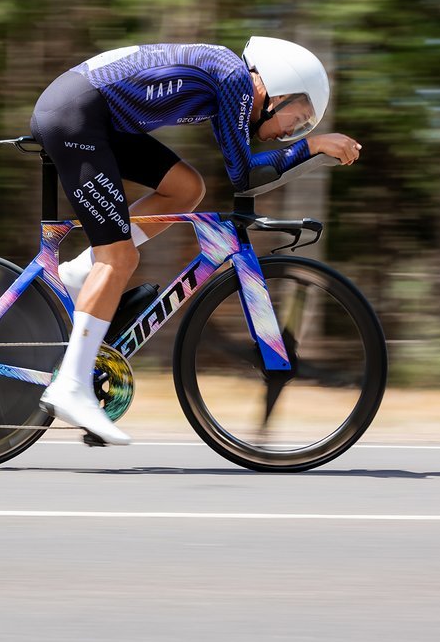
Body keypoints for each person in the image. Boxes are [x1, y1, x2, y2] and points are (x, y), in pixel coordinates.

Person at [30, 37, 362, 445]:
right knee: (119, 260)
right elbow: (244, 176)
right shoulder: (235, 79)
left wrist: (306, 147)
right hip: (77, 116)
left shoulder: (229, 77)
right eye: (301, 115)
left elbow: (244, 170)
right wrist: (311, 146)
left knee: (185, 188)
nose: (294, 129)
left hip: (95, 116)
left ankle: (82, 274)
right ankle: (72, 385)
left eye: (305, 126)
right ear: (277, 89)